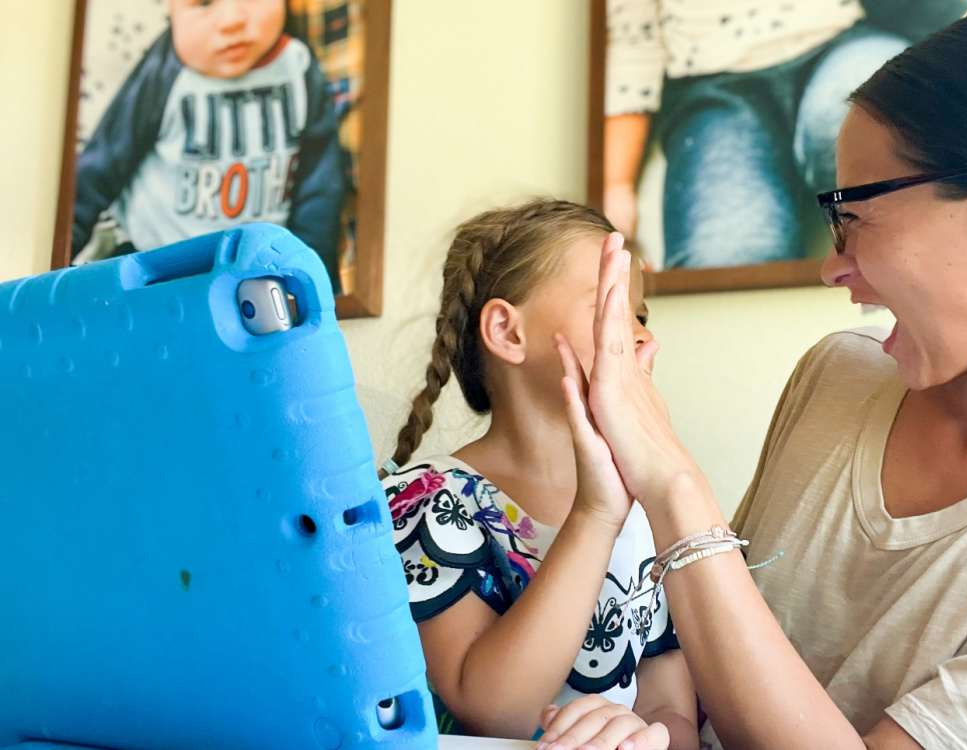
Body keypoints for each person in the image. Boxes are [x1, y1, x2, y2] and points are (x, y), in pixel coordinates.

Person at [552, 5, 967, 749]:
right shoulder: (836, 379)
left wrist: (672, 483)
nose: (835, 266)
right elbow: (714, 663)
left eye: (852, 217)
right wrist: (655, 722)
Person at [379, 200, 699, 749]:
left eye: (641, 316)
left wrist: (647, 734)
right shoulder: (426, 501)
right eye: (614, 307)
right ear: (507, 331)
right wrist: (596, 515)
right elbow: (494, 713)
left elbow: (673, 709)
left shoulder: (651, 510)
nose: (644, 338)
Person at [604, 0, 967, 269]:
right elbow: (630, 41)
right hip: (710, 89)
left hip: (845, 37)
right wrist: (616, 182)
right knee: (724, 252)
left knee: (870, 143)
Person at [72, 0, 343, 291]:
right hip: (156, 264)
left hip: (258, 273)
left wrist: (310, 277)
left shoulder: (297, 66)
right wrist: (58, 253)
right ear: (171, 11)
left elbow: (319, 187)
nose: (231, 20)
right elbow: (100, 166)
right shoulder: (165, 70)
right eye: (203, 3)